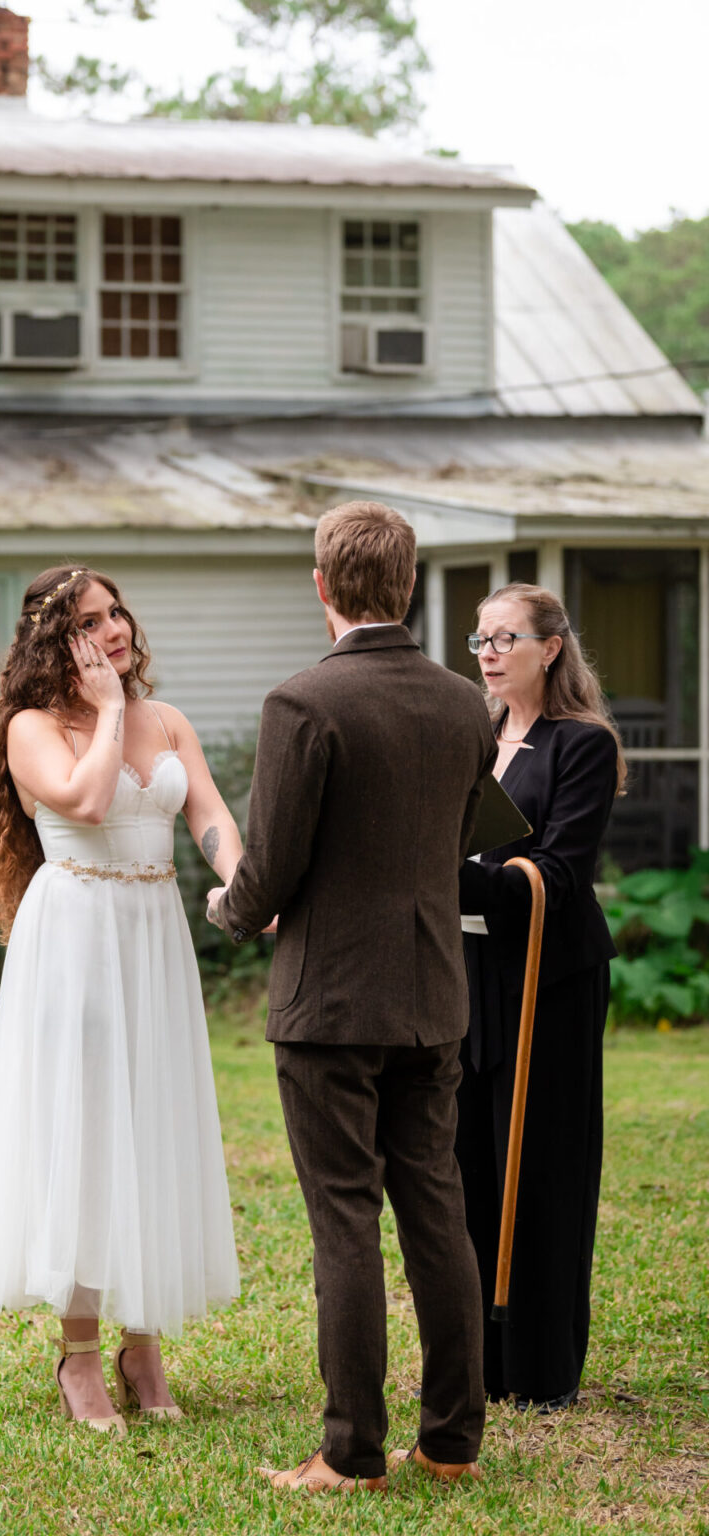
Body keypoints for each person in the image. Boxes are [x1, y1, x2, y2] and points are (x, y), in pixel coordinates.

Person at [207, 501, 497, 1493]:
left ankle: (351, 1453)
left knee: (343, 1219)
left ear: (321, 586)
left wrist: (225, 905)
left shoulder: (302, 704)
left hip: (330, 1005)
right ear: (407, 586)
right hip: (432, 996)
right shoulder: (466, 704)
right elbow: (453, 839)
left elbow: (270, 872)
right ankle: (453, 1442)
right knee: (435, 1210)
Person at [0, 566, 241, 1434]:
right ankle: (80, 1354)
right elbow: (81, 796)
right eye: (88, 622)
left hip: (154, 935)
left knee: (151, 1123)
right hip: (76, 935)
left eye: (115, 612)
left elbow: (212, 821)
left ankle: (142, 1343)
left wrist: (248, 886)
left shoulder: (173, 722)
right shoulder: (33, 728)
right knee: (84, 1132)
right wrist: (110, 711)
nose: (112, 629)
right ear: (56, 641)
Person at [456, 583, 626, 1413]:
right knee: (470, 1163)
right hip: (470, 976)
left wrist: (460, 877)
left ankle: (542, 1364)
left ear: (549, 647)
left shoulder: (581, 745)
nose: (487, 653)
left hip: (546, 981)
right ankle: (482, 1360)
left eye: (505, 638)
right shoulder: (471, 734)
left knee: (543, 1166)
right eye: (479, 639)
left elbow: (561, 869)